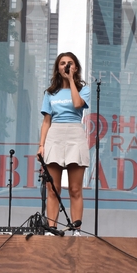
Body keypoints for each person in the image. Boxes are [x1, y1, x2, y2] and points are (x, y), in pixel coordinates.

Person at [38, 52, 90, 236]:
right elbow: (46, 121)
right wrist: (41, 145)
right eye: (62, 63)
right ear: (57, 68)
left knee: (75, 189)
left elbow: (77, 104)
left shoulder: (84, 89)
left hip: (75, 134)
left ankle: (76, 230)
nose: (66, 66)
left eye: (70, 63)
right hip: (55, 135)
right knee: (53, 188)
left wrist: (72, 81)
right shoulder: (50, 93)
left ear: (75, 67)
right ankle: (51, 229)